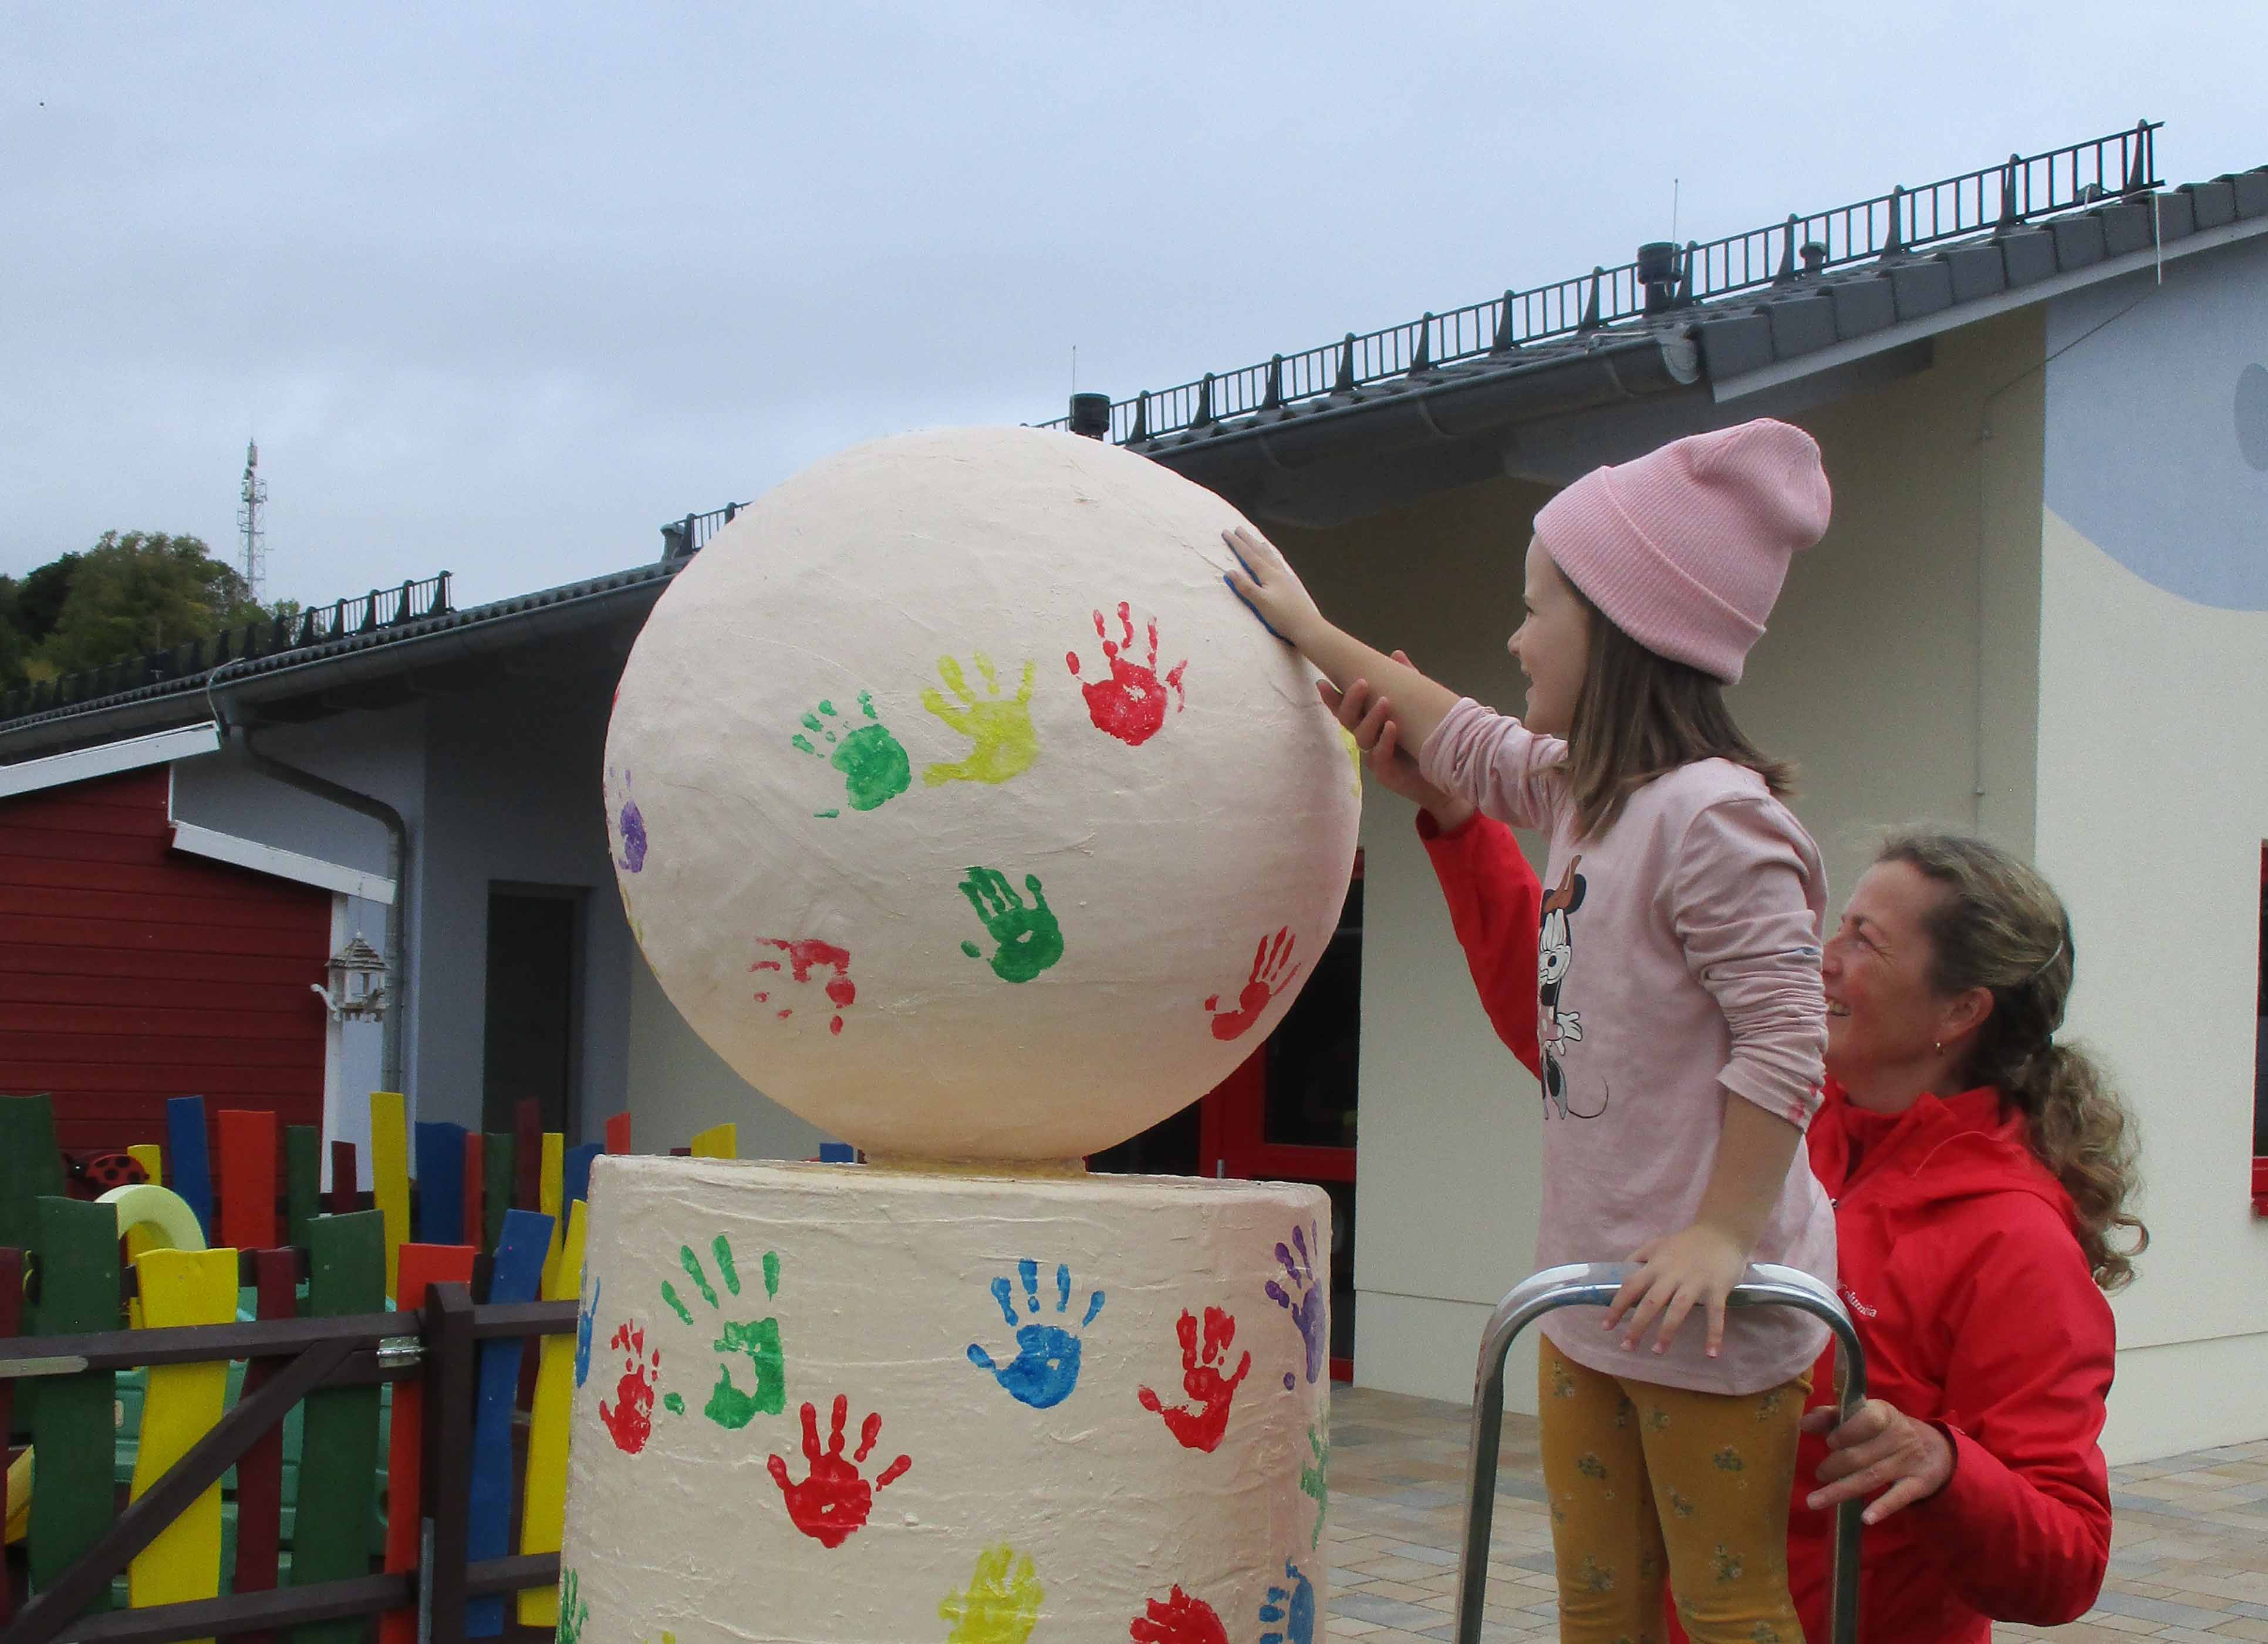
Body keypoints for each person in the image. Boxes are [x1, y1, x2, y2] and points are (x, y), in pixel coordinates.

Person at [1333, 660, 2139, 1636]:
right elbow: (1577, 1032)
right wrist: (1463, 823)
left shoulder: (2015, 1239)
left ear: (1962, 1010)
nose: (1817, 955)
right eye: (1833, 923)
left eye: (1865, 944)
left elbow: (2068, 1561)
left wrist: (1944, 1466)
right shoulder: (1769, 1115)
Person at [1224, 418, 1838, 1643]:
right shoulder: (1584, 795)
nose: (1513, 638)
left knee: (1726, 1604)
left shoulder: (1715, 820)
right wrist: (1305, 628)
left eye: (1536, 607)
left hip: (1716, 1312)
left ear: (1622, 629)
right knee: (1594, 1604)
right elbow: (1451, 731)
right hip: (1588, 1296)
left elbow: (1786, 1042)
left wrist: (1723, 1230)